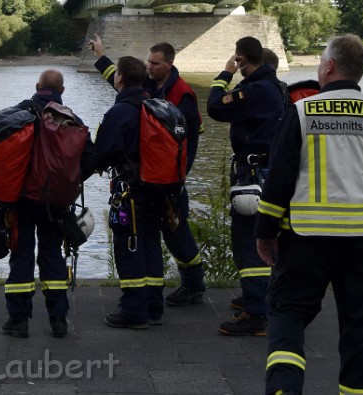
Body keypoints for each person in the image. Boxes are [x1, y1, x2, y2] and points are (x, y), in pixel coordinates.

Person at [256, 34, 363, 395]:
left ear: (328, 67)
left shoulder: (302, 111)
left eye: (319, 61)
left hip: (307, 238)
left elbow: (279, 180)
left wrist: (265, 232)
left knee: (287, 312)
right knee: (361, 325)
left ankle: (284, 388)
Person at [87, 34, 207, 306]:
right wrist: (101, 56)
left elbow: (190, 139)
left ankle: (193, 283)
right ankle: (156, 299)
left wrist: (179, 175)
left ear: (170, 63)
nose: (150, 67)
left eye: (155, 63)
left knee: (176, 233)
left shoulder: (182, 94)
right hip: (150, 176)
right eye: (148, 63)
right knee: (154, 235)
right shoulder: (148, 88)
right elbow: (122, 82)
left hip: (170, 178)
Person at [206, 35, 286, 337]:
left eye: (237, 61)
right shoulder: (278, 87)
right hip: (270, 173)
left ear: (241, 59)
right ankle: (260, 297)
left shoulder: (255, 90)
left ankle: (255, 313)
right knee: (265, 237)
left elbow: (215, 107)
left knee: (248, 241)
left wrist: (224, 75)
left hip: (254, 176)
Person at [80, 56, 166, 329]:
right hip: (160, 189)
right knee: (151, 246)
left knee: (128, 247)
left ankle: (133, 310)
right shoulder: (158, 107)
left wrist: (75, 175)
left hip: (130, 192)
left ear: (119, 78)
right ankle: (153, 307)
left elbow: (103, 153)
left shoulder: (120, 112)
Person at [0, 69, 86, 339]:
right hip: (56, 204)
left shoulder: (19, 115)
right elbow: (91, 155)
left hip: (22, 200)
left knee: (22, 256)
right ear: (63, 90)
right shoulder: (72, 119)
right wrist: (70, 180)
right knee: (52, 258)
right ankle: (58, 320)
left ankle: (19, 321)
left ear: (37, 86)